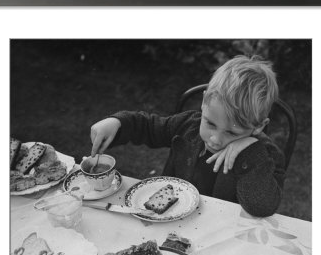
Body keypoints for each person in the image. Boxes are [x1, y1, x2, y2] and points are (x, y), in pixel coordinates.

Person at [90, 55, 285, 217]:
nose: (215, 139)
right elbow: (149, 127)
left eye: (232, 133)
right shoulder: (187, 126)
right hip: (169, 219)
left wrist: (250, 154)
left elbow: (262, 207)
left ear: (259, 127)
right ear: (204, 103)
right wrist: (119, 123)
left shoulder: (266, 156)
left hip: (221, 236)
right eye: (210, 123)